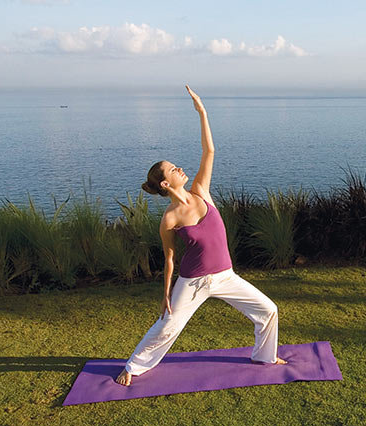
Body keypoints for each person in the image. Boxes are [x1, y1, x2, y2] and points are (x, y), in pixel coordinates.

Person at [115, 85, 287, 386]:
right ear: (166, 185)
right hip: (192, 282)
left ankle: (264, 356)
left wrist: (202, 112)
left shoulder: (201, 191)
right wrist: (165, 293)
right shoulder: (169, 219)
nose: (179, 168)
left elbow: (209, 151)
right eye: (172, 170)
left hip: (225, 276)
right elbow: (169, 258)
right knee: (168, 325)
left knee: (268, 310)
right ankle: (134, 366)